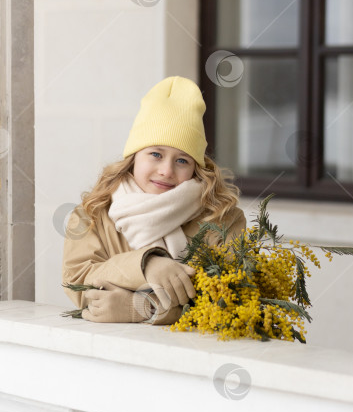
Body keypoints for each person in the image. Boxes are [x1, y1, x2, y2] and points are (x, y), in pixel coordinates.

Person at [62, 75, 246, 325]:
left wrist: (143, 307)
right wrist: (147, 264)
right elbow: (78, 280)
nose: (167, 171)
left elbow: (229, 298)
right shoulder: (91, 214)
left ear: (196, 167)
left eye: (182, 160)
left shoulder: (223, 219)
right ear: (134, 156)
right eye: (156, 154)